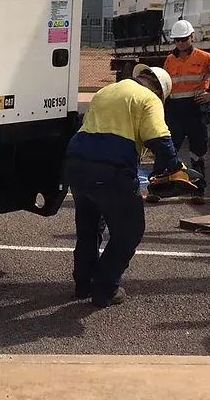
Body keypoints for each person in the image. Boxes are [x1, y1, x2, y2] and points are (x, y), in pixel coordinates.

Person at [65, 63, 197, 308]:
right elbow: (159, 138)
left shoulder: (107, 90)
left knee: (89, 228)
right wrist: (176, 168)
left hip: (77, 162)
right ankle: (104, 289)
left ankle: (83, 284)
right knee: (129, 231)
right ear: (160, 91)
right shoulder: (149, 98)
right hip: (111, 168)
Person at [155, 19, 210, 204]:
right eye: (177, 40)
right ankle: (158, 189)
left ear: (192, 37)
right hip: (175, 111)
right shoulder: (169, 60)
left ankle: (198, 191)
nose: (181, 43)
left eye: (184, 39)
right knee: (168, 150)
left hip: (196, 110)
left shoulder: (206, 58)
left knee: (198, 152)